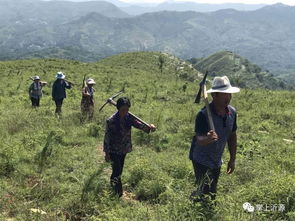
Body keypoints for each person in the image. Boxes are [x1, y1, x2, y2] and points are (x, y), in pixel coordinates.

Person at [189, 76, 240, 203]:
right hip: (201, 159)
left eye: (229, 94)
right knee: (206, 190)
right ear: (214, 95)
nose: (228, 97)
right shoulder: (203, 115)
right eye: (224, 94)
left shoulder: (232, 113)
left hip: (217, 160)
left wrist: (232, 159)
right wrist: (208, 138)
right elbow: (199, 139)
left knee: (212, 189)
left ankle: (197, 199)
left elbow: (232, 136)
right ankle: (199, 207)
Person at [103, 97, 156, 197]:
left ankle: (114, 186)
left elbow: (139, 125)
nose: (125, 111)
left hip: (124, 149)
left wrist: (149, 127)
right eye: (123, 109)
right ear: (118, 109)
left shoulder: (129, 117)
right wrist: (106, 153)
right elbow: (107, 137)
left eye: (127, 109)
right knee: (117, 170)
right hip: (113, 150)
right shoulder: (111, 120)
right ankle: (117, 192)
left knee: (119, 170)